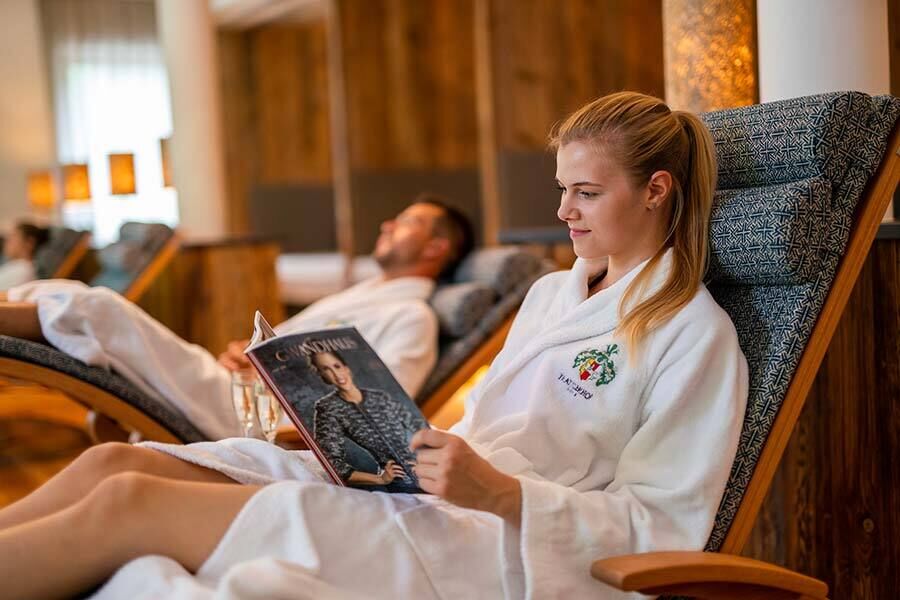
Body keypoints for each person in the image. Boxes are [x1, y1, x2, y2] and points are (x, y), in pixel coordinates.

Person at [0, 92, 748, 599]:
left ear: (655, 190)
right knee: (115, 461)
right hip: (429, 496)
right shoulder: (556, 292)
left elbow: (668, 527)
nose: (562, 210)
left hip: (501, 544)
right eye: (562, 188)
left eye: (586, 192)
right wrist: (383, 446)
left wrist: (501, 494)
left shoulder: (694, 335)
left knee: (131, 505)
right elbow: (485, 417)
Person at [0, 198, 474, 439]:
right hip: (233, 387)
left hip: (256, 418)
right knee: (83, 298)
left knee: (97, 308)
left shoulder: (412, 317)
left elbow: (378, 416)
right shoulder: (368, 293)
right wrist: (251, 355)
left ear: (437, 248)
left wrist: (275, 379)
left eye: (408, 222)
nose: (388, 224)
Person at [310, 349, 427, 488]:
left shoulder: (380, 397)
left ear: (346, 368)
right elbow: (330, 460)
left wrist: (425, 459)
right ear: (322, 375)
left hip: (429, 469)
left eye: (337, 366)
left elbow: (419, 426)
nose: (336, 374)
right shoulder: (328, 409)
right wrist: (381, 479)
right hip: (400, 482)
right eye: (326, 369)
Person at [0, 220, 49, 289]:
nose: (7, 241)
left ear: (29, 243)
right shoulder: (15, 265)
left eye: (14, 236)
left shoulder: (24, 271)